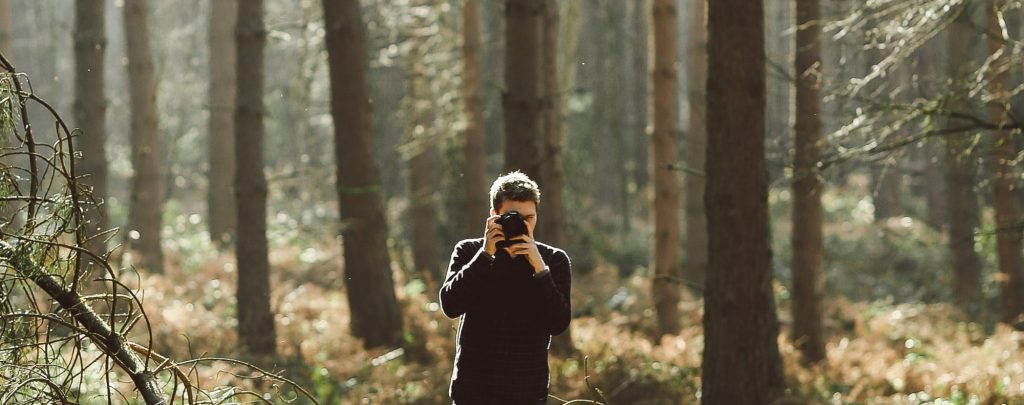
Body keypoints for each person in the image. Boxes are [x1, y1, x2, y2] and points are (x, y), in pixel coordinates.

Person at [439, 171, 572, 404]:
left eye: (528, 218)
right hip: (472, 393)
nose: (521, 225)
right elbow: (451, 305)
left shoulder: (553, 260)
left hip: (526, 394)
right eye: (513, 217)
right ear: (494, 215)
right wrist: (486, 255)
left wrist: (538, 266)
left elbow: (558, 323)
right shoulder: (469, 252)